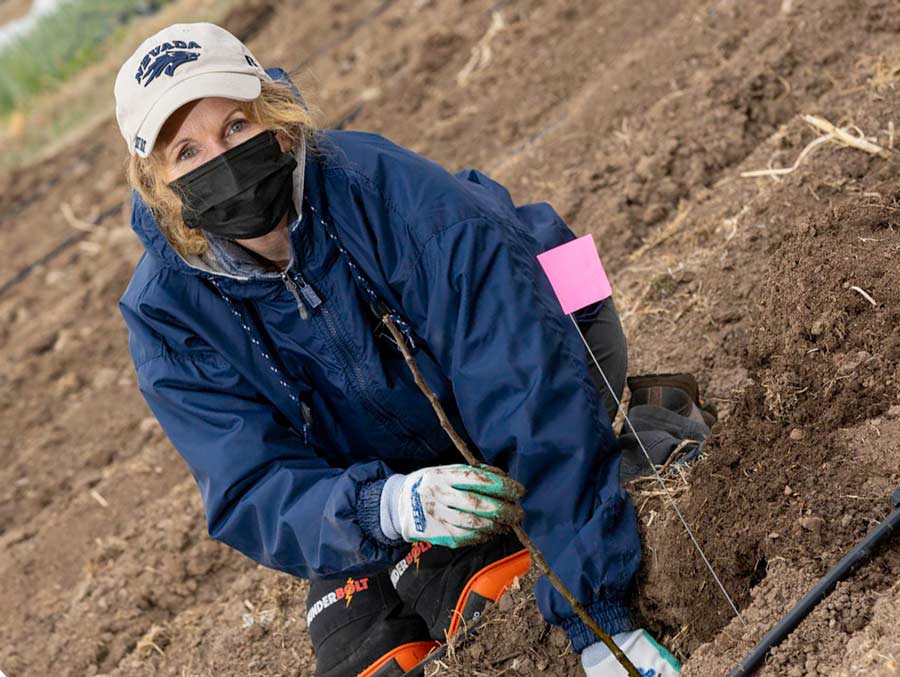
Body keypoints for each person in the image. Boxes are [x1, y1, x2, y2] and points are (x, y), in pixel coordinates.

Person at [114, 22, 702, 677]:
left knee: (557, 512)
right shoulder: (163, 313)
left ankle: (659, 414)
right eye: (185, 152)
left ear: (275, 121)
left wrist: (603, 629)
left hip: (558, 305)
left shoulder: (383, 183)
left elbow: (525, 383)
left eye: (234, 127)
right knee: (374, 649)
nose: (219, 159)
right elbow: (250, 482)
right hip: (401, 433)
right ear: (156, 184)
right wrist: (383, 505)